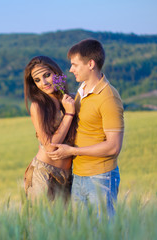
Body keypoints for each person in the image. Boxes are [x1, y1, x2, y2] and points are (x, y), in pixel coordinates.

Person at [47, 39, 124, 215]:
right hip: (79, 175)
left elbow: (113, 147)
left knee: (101, 232)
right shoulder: (81, 91)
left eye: (74, 65)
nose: (70, 69)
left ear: (90, 64)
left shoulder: (109, 97)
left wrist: (71, 151)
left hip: (101, 177)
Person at [23, 56, 77, 201]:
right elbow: (50, 147)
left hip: (69, 176)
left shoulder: (71, 98)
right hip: (44, 174)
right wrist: (69, 113)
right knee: (40, 222)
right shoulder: (38, 106)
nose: (44, 82)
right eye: (37, 80)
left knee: (65, 223)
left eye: (47, 75)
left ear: (56, 73)